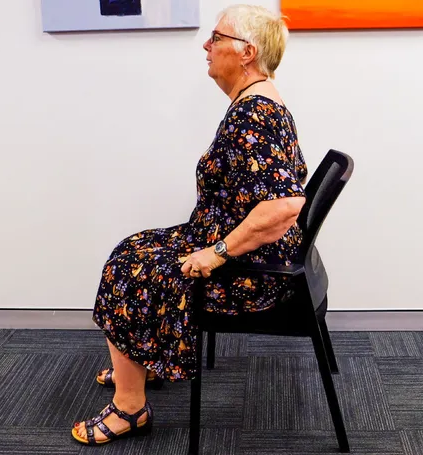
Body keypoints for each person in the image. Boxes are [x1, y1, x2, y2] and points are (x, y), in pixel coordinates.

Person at [72, 4, 308, 446]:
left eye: (216, 38)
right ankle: (138, 361)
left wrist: (215, 253)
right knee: (133, 248)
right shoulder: (257, 101)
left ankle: (130, 407)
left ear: (247, 52)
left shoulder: (255, 114)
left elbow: (284, 205)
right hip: (251, 251)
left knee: (127, 269)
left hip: (251, 271)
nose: (206, 45)